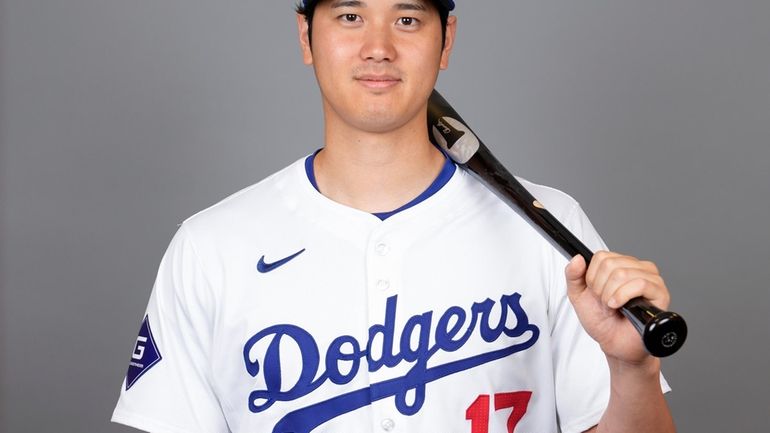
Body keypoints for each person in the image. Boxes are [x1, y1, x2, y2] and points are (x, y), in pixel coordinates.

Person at [112, 1, 677, 432]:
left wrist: (633, 371)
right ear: (306, 35)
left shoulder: (550, 227)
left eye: (407, 19)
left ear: (445, 40)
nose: (378, 46)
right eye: (351, 16)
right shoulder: (212, 245)